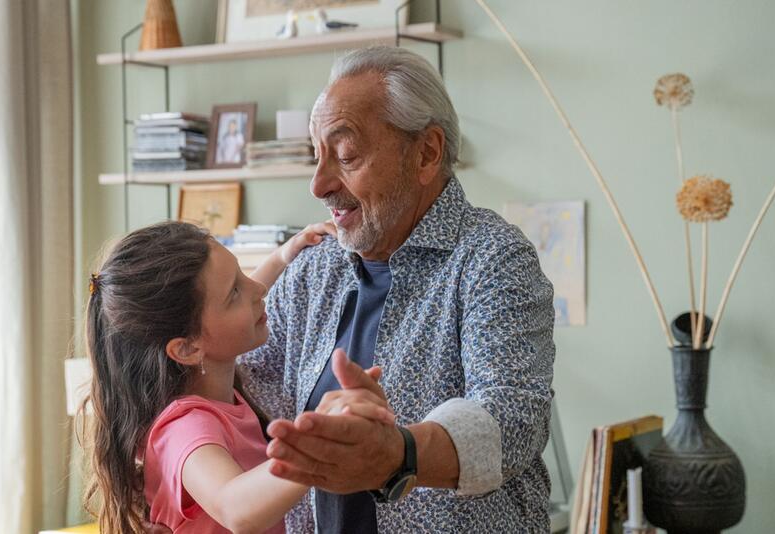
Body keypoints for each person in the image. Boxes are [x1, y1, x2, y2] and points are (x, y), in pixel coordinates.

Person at [238, 46, 557, 532]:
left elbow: (511, 419)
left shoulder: (490, 257)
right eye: (317, 155)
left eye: (346, 156)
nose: (319, 184)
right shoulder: (312, 271)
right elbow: (239, 377)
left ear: (426, 152)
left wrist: (399, 454)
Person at [80, 220, 395, 534]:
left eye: (244, 276)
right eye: (234, 291)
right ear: (188, 348)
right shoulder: (186, 428)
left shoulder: (215, 383)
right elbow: (236, 509)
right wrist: (318, 444)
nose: (257, 290)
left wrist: (280, 258)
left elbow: (220, 312)